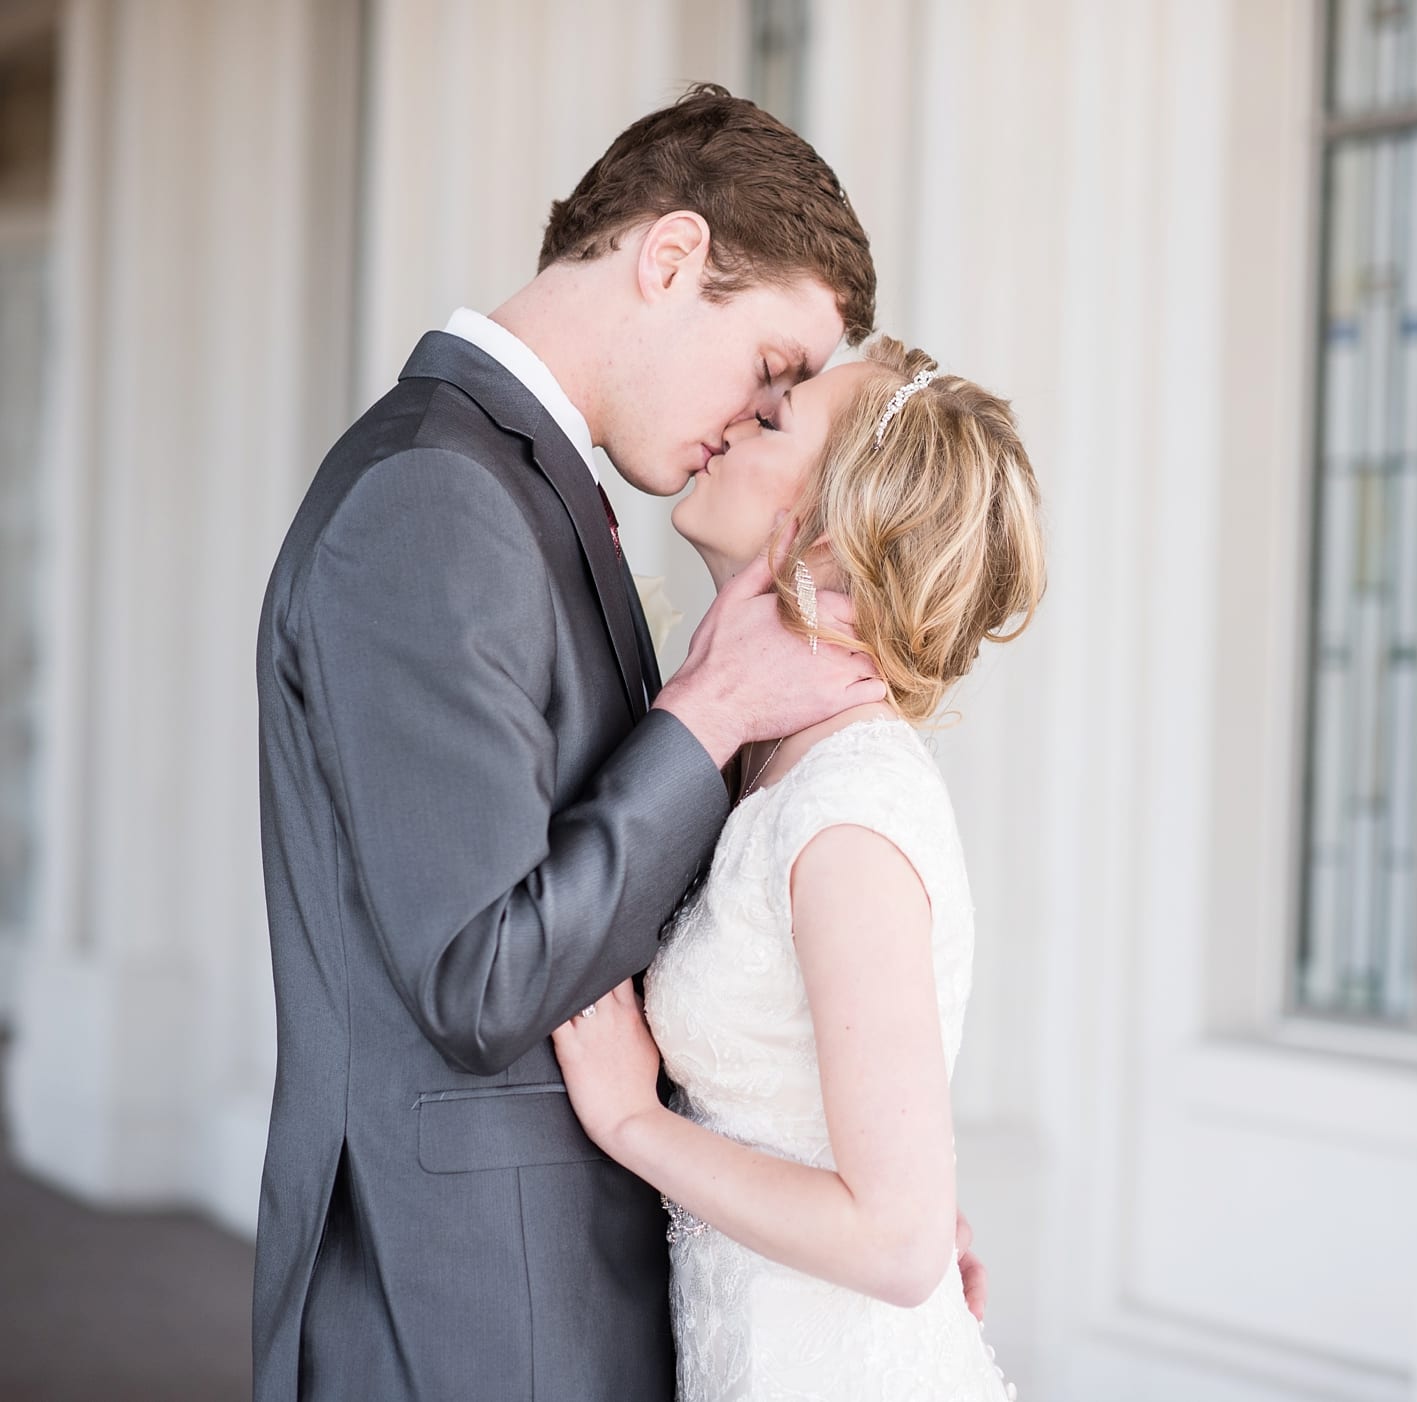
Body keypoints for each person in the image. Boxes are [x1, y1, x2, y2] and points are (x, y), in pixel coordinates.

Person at [253, 86, 984, 1402]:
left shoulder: (523, 491)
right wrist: (697, 718)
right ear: (671, 259)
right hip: (471, 1315)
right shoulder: (437, 498)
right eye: (770, 371)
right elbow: (482, 977)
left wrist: (865, 1166)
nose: (757, 416)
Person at [550, 334, 1044, 1400]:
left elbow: (900, 1245)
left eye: (773, 418)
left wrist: (635, 1122)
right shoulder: (770, 765)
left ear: (837, 533)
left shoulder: (849, 805)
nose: (731, 417)